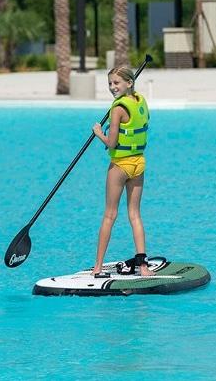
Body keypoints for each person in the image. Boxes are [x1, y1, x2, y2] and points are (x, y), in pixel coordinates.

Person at [91, 66, 154, 277]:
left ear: (129, 82)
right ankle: (143, 266)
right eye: (109, 83)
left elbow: (112, 143)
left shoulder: (117, 108)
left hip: (120, 166)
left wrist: (99, 133)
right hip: (138, 165)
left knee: (109, 215)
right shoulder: (140, 101)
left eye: (116, 83)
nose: (112, 87)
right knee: (135, 215)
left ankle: (98, 268)